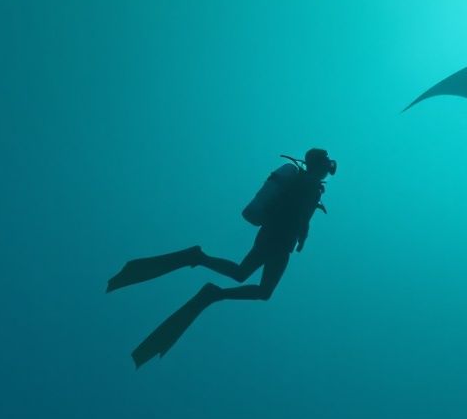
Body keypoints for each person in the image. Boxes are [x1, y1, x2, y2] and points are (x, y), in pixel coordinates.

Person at [107, 148, 337, 368]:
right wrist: (300, 235)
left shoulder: (312, 186)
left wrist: (302, 238)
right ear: (317, 164)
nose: (329, 166)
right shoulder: (306, 183)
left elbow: (304, 216)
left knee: (246, 278)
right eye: (326, 162)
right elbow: (300, 212)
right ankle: (205, 274)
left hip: (279, 239)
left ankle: (205, 273)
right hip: (276, 236)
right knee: (258, 287)